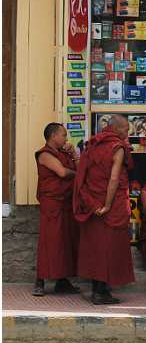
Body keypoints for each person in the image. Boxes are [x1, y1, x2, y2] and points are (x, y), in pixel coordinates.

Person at [73, 114, 136, 304]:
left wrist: (93, 202)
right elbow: (114, 179)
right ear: (116, 129)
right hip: (110, 203)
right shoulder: (117, 147)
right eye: (126, 129)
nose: (128, 132)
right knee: (109, 247)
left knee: (97, 246)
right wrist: (107, 204)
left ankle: (97, 289)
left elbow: (82, 173)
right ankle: (101, 292)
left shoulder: (92, 145)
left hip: (92, 201)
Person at [32, 123, 81, 296]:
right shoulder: (45, 154)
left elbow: (77, 166)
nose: (66, 139)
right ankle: (40, 280)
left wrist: (74, 155)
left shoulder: (63, 153)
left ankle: (62, 280)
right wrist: (77, 174)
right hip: (52, 204)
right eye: (63, 135)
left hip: (66, 203)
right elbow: (61, 172)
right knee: (49, 240)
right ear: (53, 136)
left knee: (65, 241)